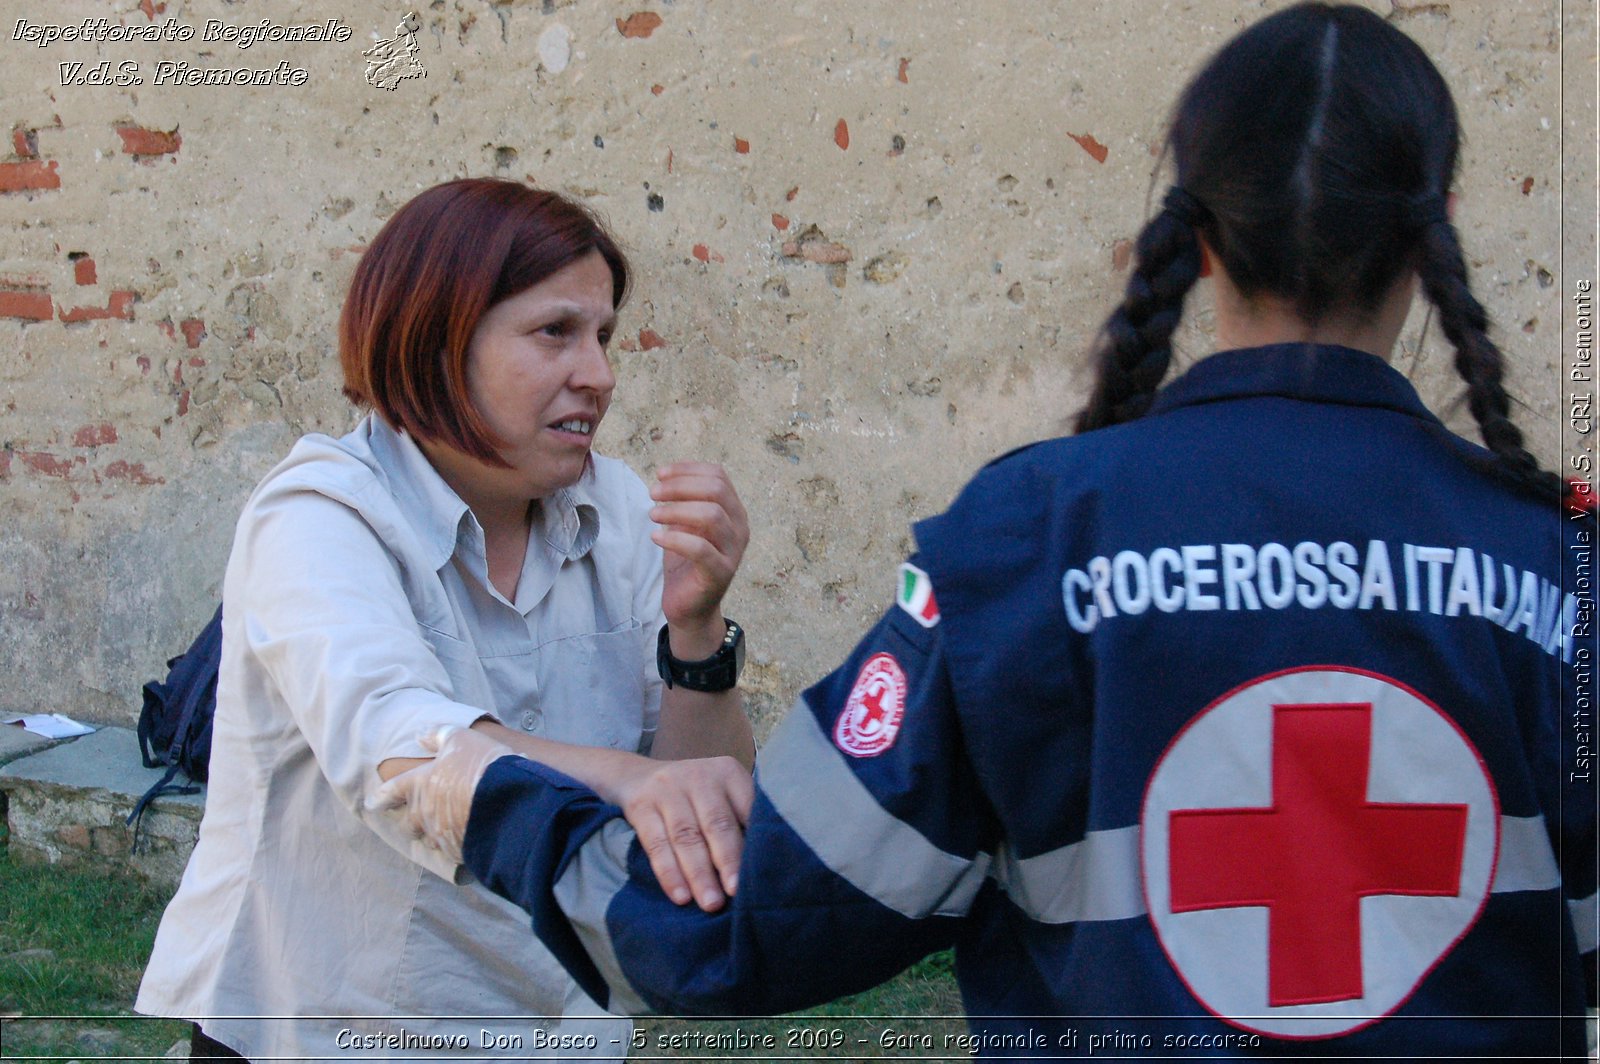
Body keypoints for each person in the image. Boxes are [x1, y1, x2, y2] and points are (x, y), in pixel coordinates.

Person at [380, 4, 1597, 1058]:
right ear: (1435, 221)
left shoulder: (1027, 537)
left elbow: (757, 919)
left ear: (1199, 233)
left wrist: (490, 804)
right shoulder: (1563, 564)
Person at [135, 178, 756, 1062]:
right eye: (555, 332)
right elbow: (396, 747)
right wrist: (624, 778)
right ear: (437, 338)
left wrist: (697, 637)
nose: (601, 374)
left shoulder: (618, 510)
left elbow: (703, 815)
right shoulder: (319, 513)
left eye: (605, 336)